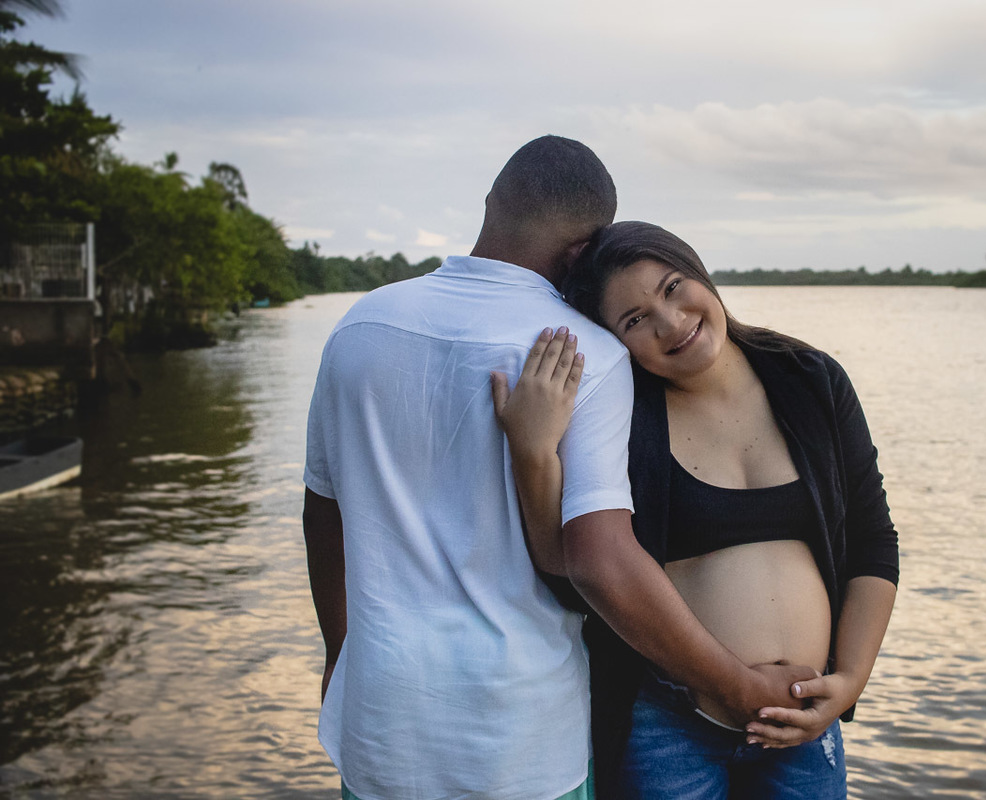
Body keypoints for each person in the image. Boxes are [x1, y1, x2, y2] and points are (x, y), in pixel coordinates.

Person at [303, 138, 811, 800]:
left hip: (382, 720)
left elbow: (324, 516)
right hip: (519, 734)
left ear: (492, 202)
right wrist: (736, 686)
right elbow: (601, 559)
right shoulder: (585, 354)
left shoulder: (358, 328)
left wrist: (339, 654)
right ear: (585, 251)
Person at [493, 221, 899, 799]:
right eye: (634, 320)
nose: (671, 322)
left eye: (672, 286)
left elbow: (872, 541)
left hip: (805, 725)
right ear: (613, 340)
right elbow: (572, 572)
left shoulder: (812, 379)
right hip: (667, 725)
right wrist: (531, 453)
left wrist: (850, 681)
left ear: (698, 271)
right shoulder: (620, 414)